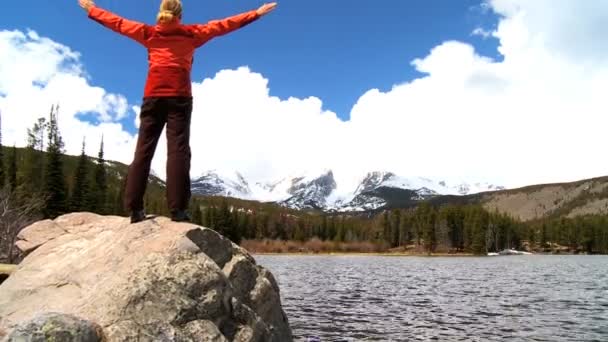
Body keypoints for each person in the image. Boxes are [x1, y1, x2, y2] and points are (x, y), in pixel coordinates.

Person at [78, 0, 277, 223]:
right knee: (178, 151)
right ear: (179, 15)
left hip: (152, 96)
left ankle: (134, 210)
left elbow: (118, 23)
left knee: (143, 151)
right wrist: (256, 13)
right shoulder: (191, 34)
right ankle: (178, 210)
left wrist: (92, 10)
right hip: (180, 97)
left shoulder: (148, 33)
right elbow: (224, 25)